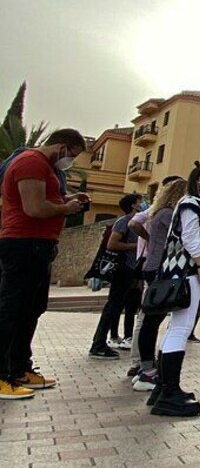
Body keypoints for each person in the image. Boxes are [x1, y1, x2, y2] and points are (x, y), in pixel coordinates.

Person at [0, 129, 88, 399]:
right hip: (23, 243)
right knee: (12, 310)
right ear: (61, 146)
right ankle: (2, 375)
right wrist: (66, 208)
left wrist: (67, 202)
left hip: (40, 244)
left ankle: (19, 368)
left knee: (32, 308)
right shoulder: (31, 162)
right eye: (71, 155)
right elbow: (34, 208)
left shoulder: (46, 168)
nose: (70, 160)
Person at [149, 163, 200, 417]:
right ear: (196, 181)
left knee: (175, 329)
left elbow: (199, 238)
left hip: (181, 271)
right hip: (186, 273)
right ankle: (169, 392)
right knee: (181, 329)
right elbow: (190, 237)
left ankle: (161, 388)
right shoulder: (191, 203)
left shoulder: (198, 205)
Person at [126, 176, 182, 377]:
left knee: (149, 316)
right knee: (149, 317)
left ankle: (143, 363)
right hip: (159, 267)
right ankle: (144, 365)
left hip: (152, 265)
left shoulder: (157, 211)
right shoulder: (167, 214)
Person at [88, 194, 142, 359]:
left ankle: (101, 342)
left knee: (117, 306)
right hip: (122, 269)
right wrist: (137, 245)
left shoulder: (136, 221)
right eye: (140, 201)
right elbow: (113, 243)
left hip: (129, 269)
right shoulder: (124, 221)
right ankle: (98, 344)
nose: (143, 204)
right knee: (113, 306)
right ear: (133, 205)